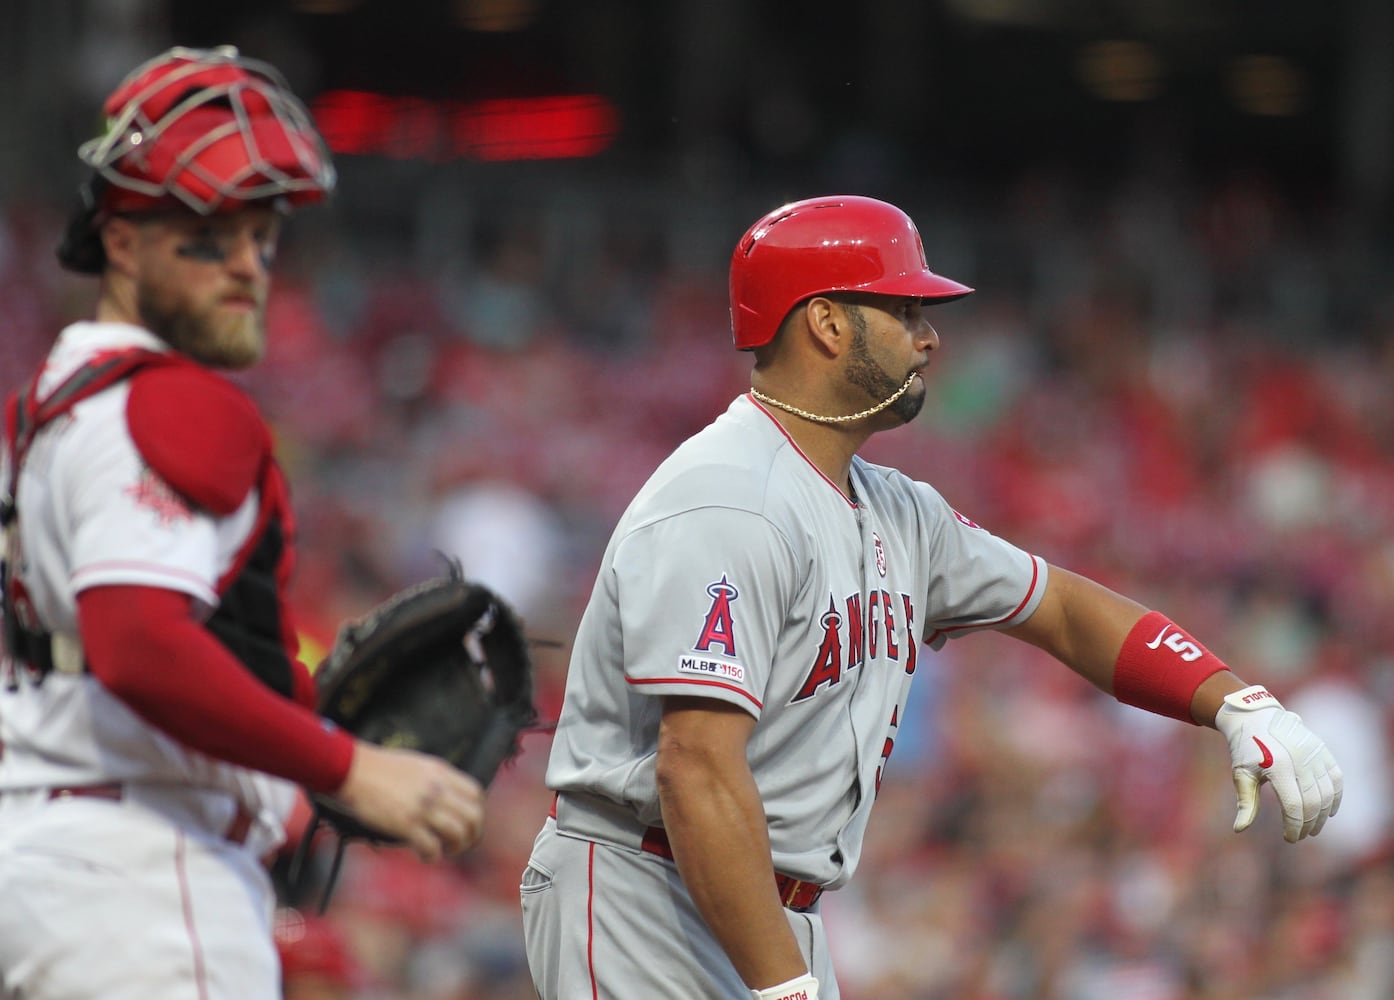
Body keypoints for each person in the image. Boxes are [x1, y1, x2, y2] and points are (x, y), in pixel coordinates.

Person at [519, 194, 1344, 999]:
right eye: (905, 310)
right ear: (827, 322)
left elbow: (1061, 609)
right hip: (645, 892)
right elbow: (695, 768)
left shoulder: (896, 509)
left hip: (763, 904)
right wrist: (784, 988)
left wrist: (1236, 703)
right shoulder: (728, 500)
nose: (929, 336)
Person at [0, 46, 485, 999]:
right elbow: (138, 644)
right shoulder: (173, 403)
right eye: (210, 234)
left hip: (52, 863)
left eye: (263, 238)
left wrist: (290, 704)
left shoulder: (57, 404)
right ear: (123, 241)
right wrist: (349, 767)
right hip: (142, 880)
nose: (248, 266)